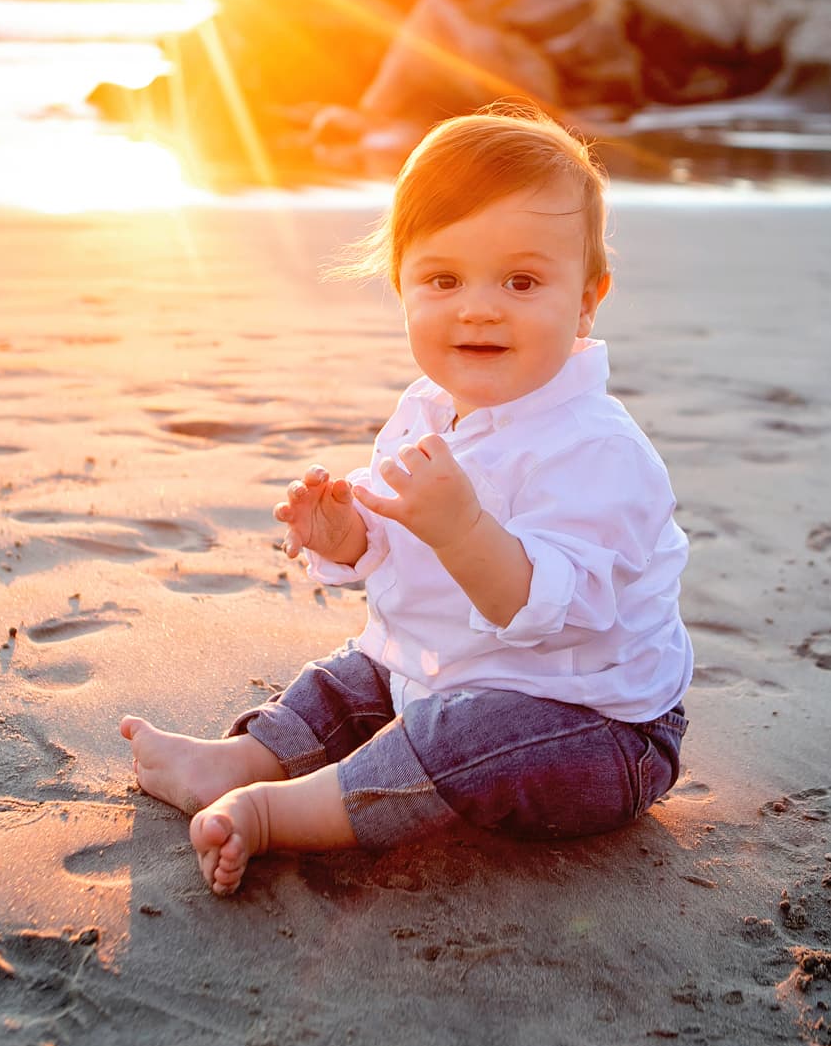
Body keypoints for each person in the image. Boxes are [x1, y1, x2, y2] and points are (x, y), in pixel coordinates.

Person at [119, 104, 693, 895]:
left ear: (589, 298)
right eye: (443, 279)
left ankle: (277, 813)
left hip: (591, 726)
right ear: (402, 286)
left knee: (458, 734)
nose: (479, 306)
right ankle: (240, 758)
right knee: (359, 672)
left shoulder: (598, 449)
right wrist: (348, 532)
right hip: (451, 668)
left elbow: (548, 610)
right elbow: (397, 553)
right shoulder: (427, 407)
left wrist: (462, 529)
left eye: (521, 281)